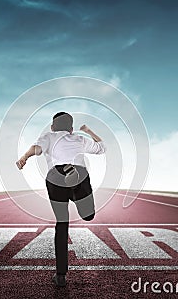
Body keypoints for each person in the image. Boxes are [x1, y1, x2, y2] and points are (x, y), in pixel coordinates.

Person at [16, 112, 106, 287]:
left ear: (52, 127)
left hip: (55, 177)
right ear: (71, 129)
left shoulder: (48, 136)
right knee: (88, 215)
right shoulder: (79, 139)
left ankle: (61, 275)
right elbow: (102, 147)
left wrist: (24, 157)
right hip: (79, 174)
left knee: (62, 223)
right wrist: (88, 131)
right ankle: (73, 179)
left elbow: (37, 148)